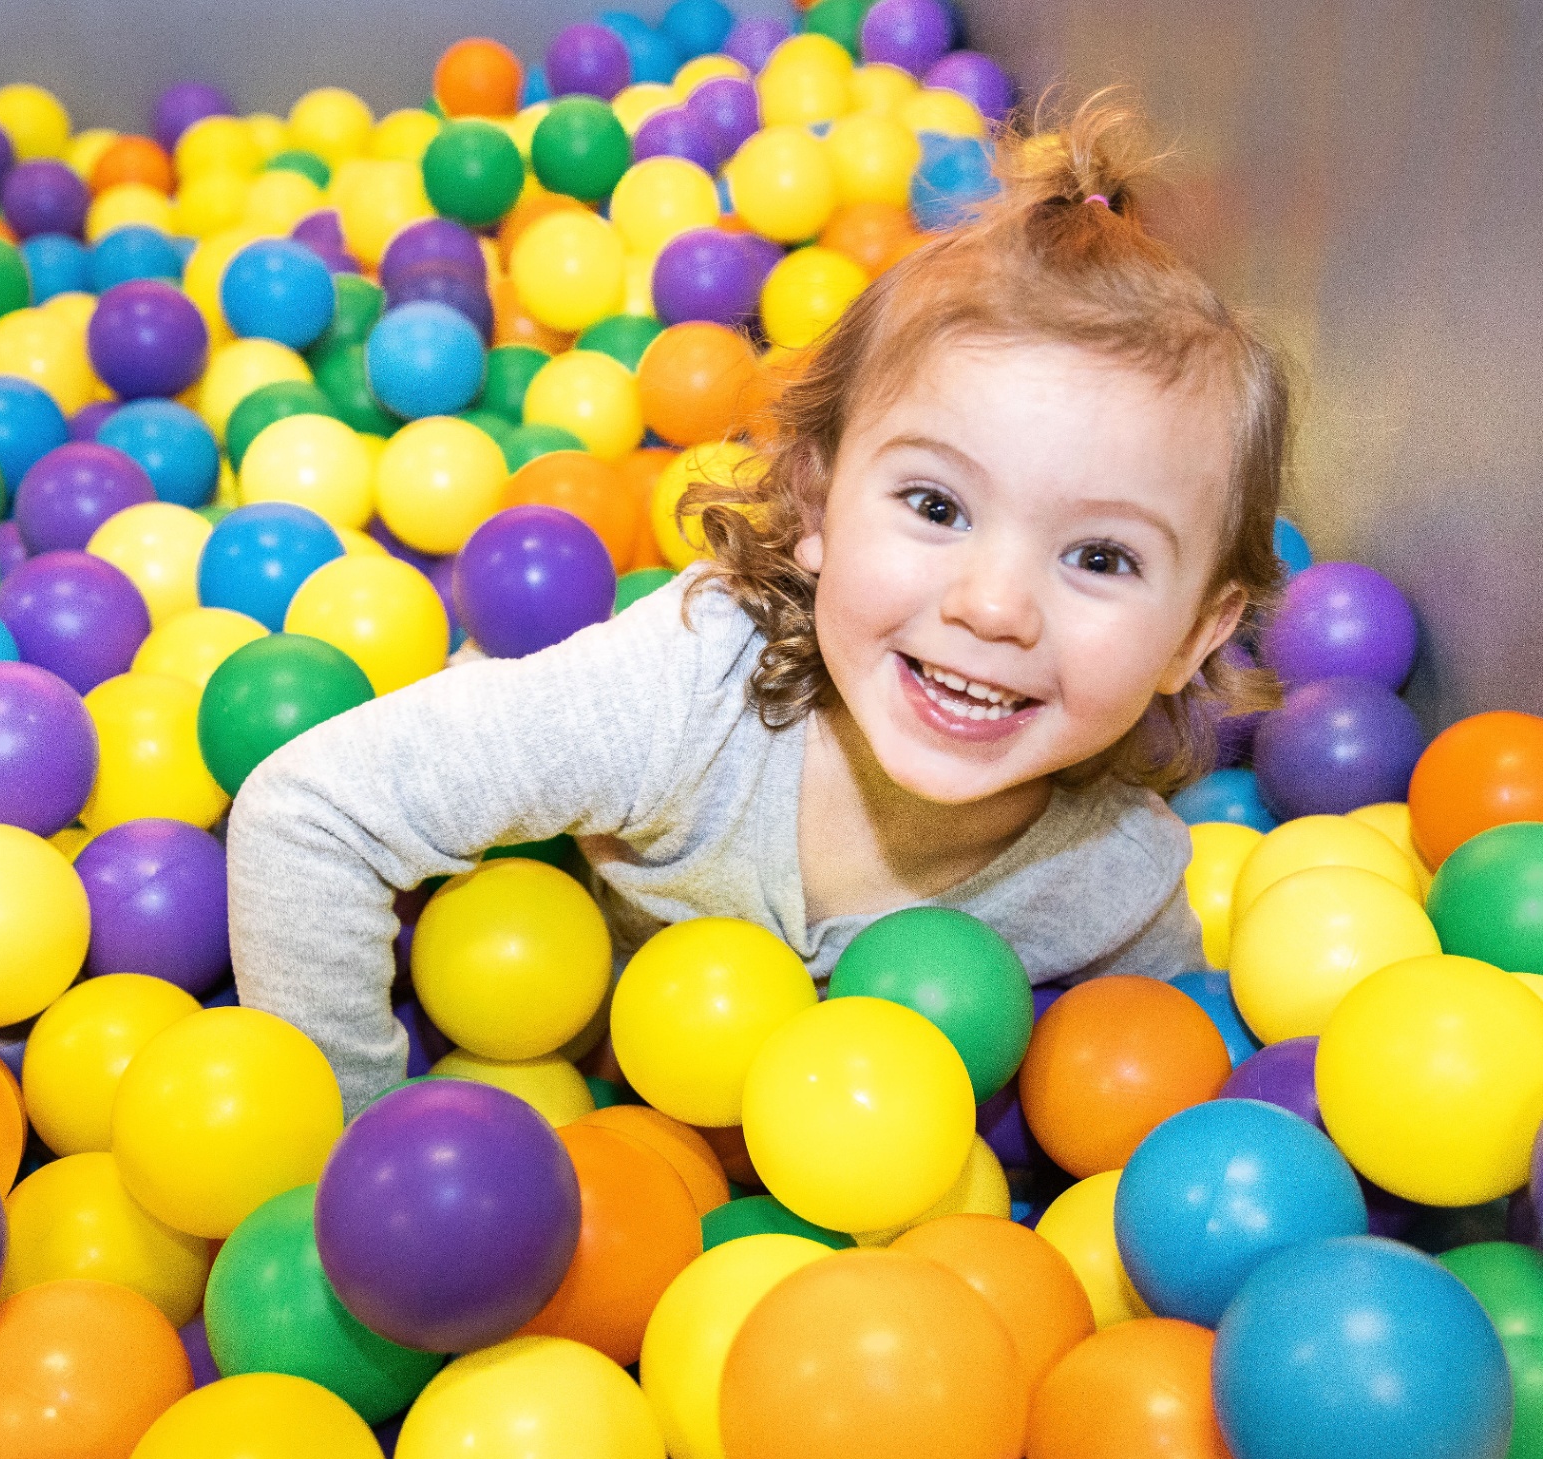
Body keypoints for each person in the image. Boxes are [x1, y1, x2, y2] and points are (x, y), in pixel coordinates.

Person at [228, 93, 1292, 1116]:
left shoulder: (1113, 886)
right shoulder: (688, 695)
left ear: (1196, 633)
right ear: (818, 504)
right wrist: (351, 1156)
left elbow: (1169, 1123)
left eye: (1101, 558)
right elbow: (312, 815)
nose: (994, 606)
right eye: (936, 504)